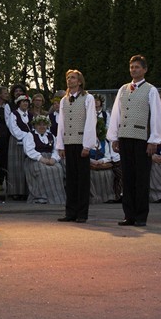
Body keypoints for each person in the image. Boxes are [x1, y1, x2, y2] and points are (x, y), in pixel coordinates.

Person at [107, 55, 161, 227]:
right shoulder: (123, 89)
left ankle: (140, 215)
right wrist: (114, 137)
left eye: (137, 67)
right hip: (125, 137)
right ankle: (128, 214)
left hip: (141, 139)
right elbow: (116, 113)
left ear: (144, 70)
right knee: (128, 177)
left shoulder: (151, 90)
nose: (134, 70)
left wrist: (153, 140)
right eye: (132, 67)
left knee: (141, 178)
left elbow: (155, 116)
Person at [56, 70, 96, 223]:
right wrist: (60, 145)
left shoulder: (88, 98)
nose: (69, 80)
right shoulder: (64, 100)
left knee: (82, 179)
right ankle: (70, 212)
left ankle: (82, 213)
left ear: (79, 81)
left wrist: (87, 145)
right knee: (71, 179)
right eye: (68, 77)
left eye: (73, 78)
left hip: (81, 142)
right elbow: (61, 124)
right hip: (68, 142)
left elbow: (90, 122)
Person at [23, 114, 65, 205]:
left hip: (50, 158)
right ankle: (42, 196)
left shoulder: (51, 135)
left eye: (44, 125)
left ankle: (56, 197)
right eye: (39, 124)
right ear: (35, 126)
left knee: (58, 168)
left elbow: (56, 149)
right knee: (43, 170)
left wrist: (54, 159)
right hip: (35, 159)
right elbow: (29, 150)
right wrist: (42, 159)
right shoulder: (30, 135)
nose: (42, 127)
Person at [4, 93, 32, 200]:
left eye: (26, 102)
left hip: (28, 143)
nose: (25, 103)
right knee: (16, 166)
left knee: (26, 166)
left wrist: (30, 138)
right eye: (23, 102)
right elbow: (13, 129)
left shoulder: (31, 115)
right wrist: (26, 136)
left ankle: (25, 191)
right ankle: (15, 191)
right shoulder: (14, 114)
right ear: (19, 103)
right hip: (16, 142)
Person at [89, 118, 119, 204]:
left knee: (109, 173)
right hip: (90, 165)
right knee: (92, 174)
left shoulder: (103, 142)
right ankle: (95, 198)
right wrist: (92, 161)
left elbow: (108, 156)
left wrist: (101, 161)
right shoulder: (87, 142)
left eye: (97, 129)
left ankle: (107, 197)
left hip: (100, 164)